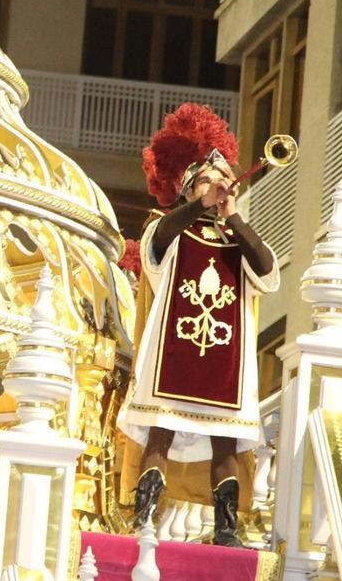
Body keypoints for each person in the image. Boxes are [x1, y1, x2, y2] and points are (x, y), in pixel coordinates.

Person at [117, 103, 279, 547]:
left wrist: (234, 217)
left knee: (225, 442)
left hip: (226, 360)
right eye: (204, 182)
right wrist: (200, 206)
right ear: (188, 190)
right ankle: (144, 515)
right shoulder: (164, 229)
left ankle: (226, 528)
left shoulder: (237, 236)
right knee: (160, 434)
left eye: (220, 181)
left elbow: (266, 271)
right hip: (172, 354)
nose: (214, 188)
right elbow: (161, 242)